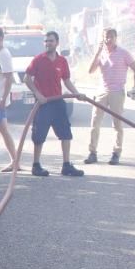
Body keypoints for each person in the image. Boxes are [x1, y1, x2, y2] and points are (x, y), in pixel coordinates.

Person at [24, 31, 86, 177]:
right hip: (43, 104)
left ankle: (66, 165)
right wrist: (38, 95)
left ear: (57, 43)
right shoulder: (38, 60)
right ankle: (36, 165)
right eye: (46, 41)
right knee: (38, 136)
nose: (48, 43)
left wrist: (77, 94)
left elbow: (67, 80)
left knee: (66, 134)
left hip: (57, 102)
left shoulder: (62, 61)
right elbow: (27, 79)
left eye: (50, 41)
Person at [84, 28, 135, 165]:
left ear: (116, 38)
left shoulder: (123, 53)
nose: (108, 40)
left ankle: (116, 153)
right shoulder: (101, 53)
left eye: (111, 37)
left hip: (117, 92)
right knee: (95, 123)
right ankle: (92, 152)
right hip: (102, 91)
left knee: (117, 124)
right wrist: (97, 52)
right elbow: (90, 71)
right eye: (106, 37)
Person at [0, 26, 21, 172]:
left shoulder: (4, 54)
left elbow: (9, 78)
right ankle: (15, 160)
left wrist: (3, 99)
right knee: (2, 129)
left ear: (0, 38)